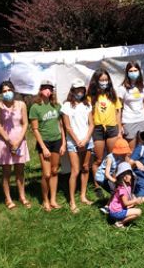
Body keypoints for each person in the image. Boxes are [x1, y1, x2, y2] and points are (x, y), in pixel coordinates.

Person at [29, 80, 66, 211]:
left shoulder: (56, 106)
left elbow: (61, 125)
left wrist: (63, 143)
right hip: (44, 142)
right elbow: (35, 129)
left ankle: (53, 199)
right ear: (40, 90)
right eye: (45, 88)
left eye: (50, 88)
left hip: (57, 141)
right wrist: (43, 147)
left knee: (55, 171)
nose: (48, 91)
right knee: (47, 173)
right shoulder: (35, 107)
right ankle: (45, 200)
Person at [0, 81, 31, 210]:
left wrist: (19, 141)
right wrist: (10, 141)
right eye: (4, 91)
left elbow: (25, 123)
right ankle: (8, 198)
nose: (7, 93)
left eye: (9, 90)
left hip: (20, 141)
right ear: (1, 93)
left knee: (20, 171)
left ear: (13, 90)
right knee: (7, 172)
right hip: (4, 143)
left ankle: (22, 196)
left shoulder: (21, 104)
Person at [87, 69, 123, 197]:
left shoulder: (112, 94)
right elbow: (88, 113)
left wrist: (119, 129)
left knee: (112, 157)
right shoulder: (91, 96)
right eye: (101, 80)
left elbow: (118, 112)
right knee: (98, 159)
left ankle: (112, 183)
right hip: (97, 129)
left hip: (112, 127)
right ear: (96, 81)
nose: (104, 82)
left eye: (106, 80)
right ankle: (98, 186)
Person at [61, 78, 94, 213]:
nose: (80, 92)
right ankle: (72, 202)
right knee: (75, 171)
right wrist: (77, 141)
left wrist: (85, 140)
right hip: (73, 143)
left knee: (85, 168)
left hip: (87, 141)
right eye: (77, 90)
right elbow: (67, 127)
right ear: (72, 91)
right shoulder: (66, 106)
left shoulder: (87, 104)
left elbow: (91, 124)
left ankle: (83, 196)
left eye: (82, 89)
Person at [119, 61, 144, 151]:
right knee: (131, 150)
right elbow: (119, 107)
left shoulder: (143, 85)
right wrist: (120, 125)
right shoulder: (122, 88)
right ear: (127, 73)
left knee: (143, 147)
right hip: (129, 121)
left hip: (142, 119)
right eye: (131, 71)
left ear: (139, 71)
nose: (133, 73)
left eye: (135, 70)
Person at [108, 162, 144, 228]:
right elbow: (125, 203)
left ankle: (119, 219)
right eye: (126, 174)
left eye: (129, 173)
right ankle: (120, 223)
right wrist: (136, 200)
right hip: (116, 212)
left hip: (117, 209)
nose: (129, 176)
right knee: (139, 212)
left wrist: (134, 201)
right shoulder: (122, 188)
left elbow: (128, 198)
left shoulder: (127, 186)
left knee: (134, 206)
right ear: (123, 177)